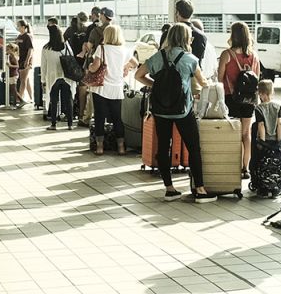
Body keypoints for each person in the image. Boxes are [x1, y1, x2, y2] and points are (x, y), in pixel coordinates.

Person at [133, 23, 216, 203]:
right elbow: (204, 83)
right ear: (187, 39)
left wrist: (156, 86)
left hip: (161, 109)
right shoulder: (190, 59)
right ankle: (200, 190)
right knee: (193, 147)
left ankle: (170, 189)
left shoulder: (158, 56)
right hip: (182, 110)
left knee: (164, 147)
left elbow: (138, 75)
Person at [218, 21, 261, 179]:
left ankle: (233, 165)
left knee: (233, 134)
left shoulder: (227, 55)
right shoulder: (254, 56)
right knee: (246, 134)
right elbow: (257, 78)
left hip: (232, 99)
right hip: (249, 100)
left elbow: (220, 78)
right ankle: (245, 168)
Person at [87, 24, 131, 155]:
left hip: (101, 88)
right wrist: (125, 68)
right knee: (117, 118)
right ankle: (121, 147)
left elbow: (95, 67)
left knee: (100, 117)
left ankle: (100, 147)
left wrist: (89, 66)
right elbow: (134, 62)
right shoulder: (124, 50)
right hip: (117, 88)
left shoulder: (102, 48)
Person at [42, 25, 74, 130]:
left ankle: (53, 124)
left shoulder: (46, 48)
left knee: (54, 100)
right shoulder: (66, 46)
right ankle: (70, 124)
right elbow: (71, 58)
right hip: (66, 77)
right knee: (68, 100)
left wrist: (43, 80)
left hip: (53, 77)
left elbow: (44, 66)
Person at [15, 19, 35, 107]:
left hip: (25, 61)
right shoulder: (19, 36)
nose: (17, 27)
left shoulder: (28, 36)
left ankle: (20, 98)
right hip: (20, 60)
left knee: (23, 80)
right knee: (26, 80)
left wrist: (27, 60)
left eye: (18, 26)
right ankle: (31, 98)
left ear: (23, 27)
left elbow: (30, 49)